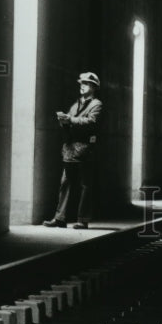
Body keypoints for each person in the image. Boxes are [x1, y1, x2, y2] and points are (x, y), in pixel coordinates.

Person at [44, 71, 103, 229]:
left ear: (93, 87)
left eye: (86, 84)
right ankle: (60, 218)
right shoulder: (76, 104)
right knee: (66, 183)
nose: (82, 86)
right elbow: (71, 121)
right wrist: (64, 121)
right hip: (71, 148)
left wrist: (70, 119)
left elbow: (91, 122)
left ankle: (83, 220)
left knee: (85, 184)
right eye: (81, 84)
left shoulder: (96, 104)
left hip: (85, 149)